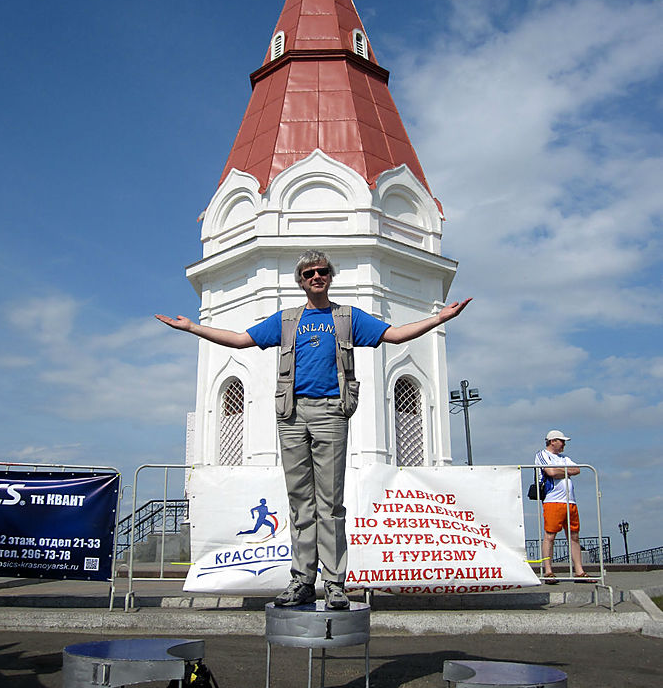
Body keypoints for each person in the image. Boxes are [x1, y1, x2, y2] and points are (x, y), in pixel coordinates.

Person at [156, 249, 471, 609]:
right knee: (300, 502)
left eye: (322, 271)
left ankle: (335, 583)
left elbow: (396, 335)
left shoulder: (346, 317)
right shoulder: (287, 319)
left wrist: (439, 318)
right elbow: (242, 340)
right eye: (309, 273)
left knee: (330, 504)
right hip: (291, 414)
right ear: (301, 281)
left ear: (330, 276)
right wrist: (193, 328)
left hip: (331, 413)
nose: (316, 277)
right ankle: (302, 580)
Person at [535, 430, 596, 584]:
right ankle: (548, 570)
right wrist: (566, 472)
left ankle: (579, 571)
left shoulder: (565, 458)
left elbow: (578, 469)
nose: (564, 444)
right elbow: (551, 472)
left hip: (570, 501)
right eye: (561, 441)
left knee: (574, 536)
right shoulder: (542, 455)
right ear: (552, 441)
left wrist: (563, 471)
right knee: (550, 535)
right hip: (553, 500)